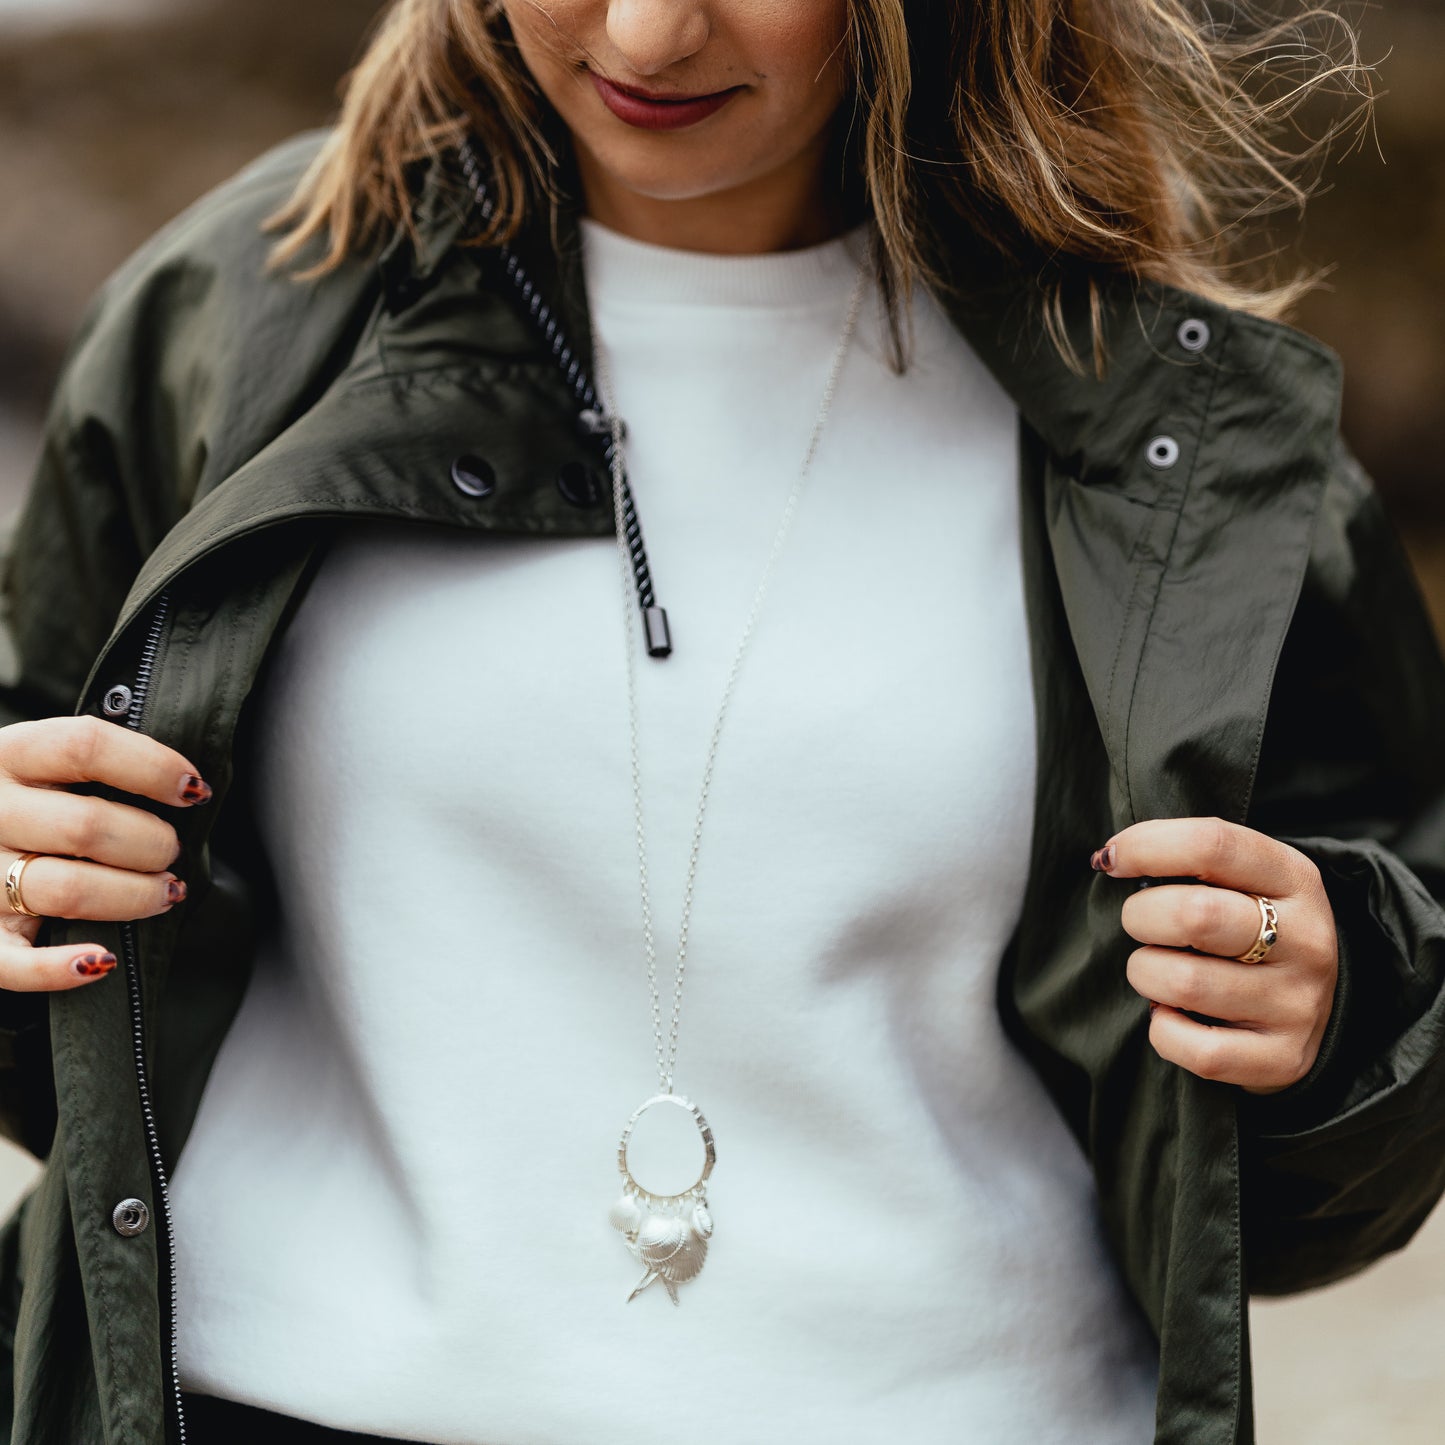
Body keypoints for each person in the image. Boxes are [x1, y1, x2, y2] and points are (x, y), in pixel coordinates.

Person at [0, 0, 1443, 1441]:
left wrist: (1335, 1003)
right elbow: (63, 1005)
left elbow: (1340, 1142)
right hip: (257, 1400)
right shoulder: (242, 309)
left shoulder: (1177, 426)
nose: (643, 36)